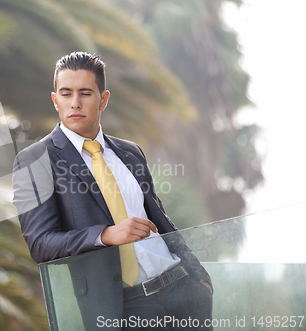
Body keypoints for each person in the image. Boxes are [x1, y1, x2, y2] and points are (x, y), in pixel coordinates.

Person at [13, 52, 213, 330]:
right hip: (124, 307)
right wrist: (105, 236)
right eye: (66, 93)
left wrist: (199, 277)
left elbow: (161, 220)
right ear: (55, 99)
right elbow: (40, 244)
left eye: (85, 93)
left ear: (103, 99)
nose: (75, 103)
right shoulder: (34, 161)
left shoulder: (130, 152)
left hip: (183, 289)